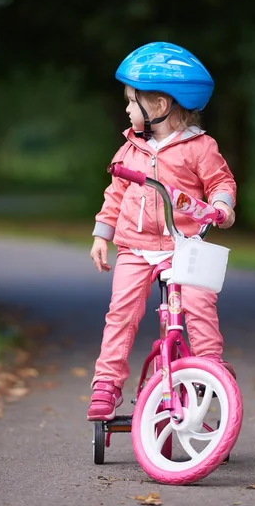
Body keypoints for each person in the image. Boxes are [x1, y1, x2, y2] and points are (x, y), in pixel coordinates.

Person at [87, 42, 236, 421]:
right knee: (121, 313)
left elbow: (220, 180)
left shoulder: (199, 147)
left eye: (131, 102)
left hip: (186, 245)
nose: (126, 109)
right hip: (135, 248)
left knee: (200, 307)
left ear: (159, 105)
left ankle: (208, 372)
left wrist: (222, 205)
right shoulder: (131, 149)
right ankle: (107, 384)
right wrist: (101, 235)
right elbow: (115, 194)